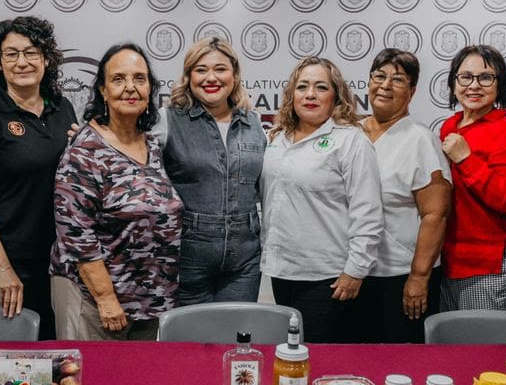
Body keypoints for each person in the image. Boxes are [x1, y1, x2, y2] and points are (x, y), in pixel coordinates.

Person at [51, 43, 183, 340]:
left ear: (150, 88)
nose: (130, 88)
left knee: (138, 384)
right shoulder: (85, 150)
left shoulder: (151, 144)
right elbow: (76, 234)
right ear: (102, 90)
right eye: (119, 79)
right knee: (93, 383)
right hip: (96, 301)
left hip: (149, 300)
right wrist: (106, 298)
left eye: (139, 78)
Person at [0, 16, 78, 338]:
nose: (22, 62)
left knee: (56, 361)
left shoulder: (63, 108)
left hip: (57, 264)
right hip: (9, 264)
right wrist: (2, 269)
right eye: (11, 54)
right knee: (9, 367)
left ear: (46, 59)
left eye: (31, 52)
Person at [260, 56, 382, 343]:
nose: (310, 94)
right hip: (282, 271)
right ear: (292, 94)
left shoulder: (351, 141)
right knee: (291, 353)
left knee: (318, 356)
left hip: (327, 278)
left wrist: (356, 269)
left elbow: (368, 211)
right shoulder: (277, 138)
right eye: (302, 87)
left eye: (321, 87)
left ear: (336, 96)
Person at [161, 36, 265, 305]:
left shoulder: (253, 123)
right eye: (201, 69)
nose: (211, 78)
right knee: (189, 342)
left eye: (220, 69)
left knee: (237, 337)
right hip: (188, 256)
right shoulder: (167, 120)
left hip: (245, 259)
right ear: (189, 76)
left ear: (234, 74)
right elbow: (124, 146)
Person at [357, 49, 450, 342]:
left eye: (397, 80)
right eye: (379, 76)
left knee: (398, 367)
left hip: (399, 277)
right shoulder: (351, 131)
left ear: (411, 91)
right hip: (354, 273)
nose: (385, 85)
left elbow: (435, 215)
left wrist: (419, 278)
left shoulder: (420, 139)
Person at [437, 44, 506, 313]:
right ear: (454, 83)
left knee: (478, 350)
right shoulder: (449, 126)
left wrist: (466, 159)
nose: (474, 85)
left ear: (500, 85)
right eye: (465, 77)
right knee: (446, 348)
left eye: (485, 77)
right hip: (447, 260)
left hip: (484, 266)